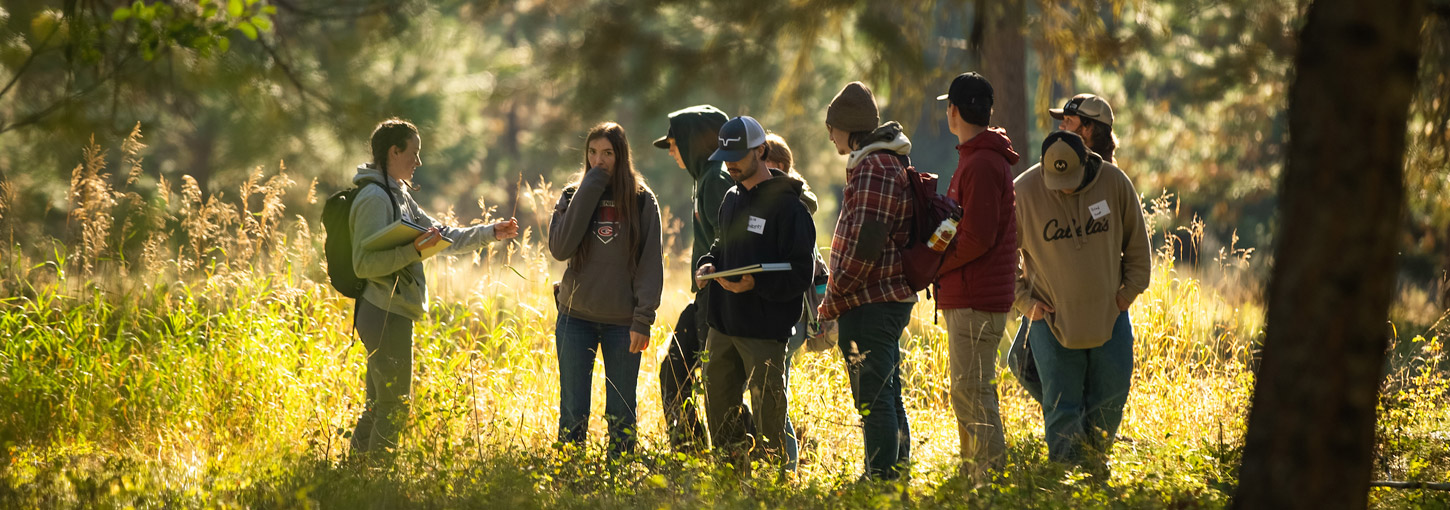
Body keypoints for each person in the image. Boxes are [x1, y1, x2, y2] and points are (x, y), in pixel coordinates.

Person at [349, 118, 520, 455]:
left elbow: (442, 235)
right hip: (383, 311)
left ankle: (354, 479)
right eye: (413, 152)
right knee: (394, 405)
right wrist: (413, 250)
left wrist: (490, 232)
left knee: (378, 404)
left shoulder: (396, 193)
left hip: (392, 309)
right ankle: (378, 483)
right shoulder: (374, 197)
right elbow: (363, 264)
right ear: (393, 151)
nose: (418, 162)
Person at [1012, 130, 1150, 473]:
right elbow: (1002, 259)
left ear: (1087, 162)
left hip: (1110, 317)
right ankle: (1065, 480)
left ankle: (1094, 467)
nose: (1064, 188)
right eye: (1056, 180)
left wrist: (1126, 295)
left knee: (1111, 399)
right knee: (1061, 405)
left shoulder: (1115, 183)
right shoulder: (1022, 192)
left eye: (1070, 179)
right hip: (1051, 323)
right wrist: (1026, 302)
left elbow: (1137, 248)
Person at [695, 116, 816, 467]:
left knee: (770, 428)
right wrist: (708, 263)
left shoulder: (789, 208)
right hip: (722, 327)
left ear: (761, 151)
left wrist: (756, 284)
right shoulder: (730, 198)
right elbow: (721, 247)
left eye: (738, 155)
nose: (730, 164)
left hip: (764, 333)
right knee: (720, 419)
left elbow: (800, 273)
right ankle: (731, 489)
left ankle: (775, 491)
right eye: (726, 156)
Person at [818, 81, 918, 480]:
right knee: (887, 393)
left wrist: (835, 295)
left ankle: (882, 480)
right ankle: (896, 473)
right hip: (877, 298)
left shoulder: (875, 167)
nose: (830, 135)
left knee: (873, 400)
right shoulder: (876, 163)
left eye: (833, 126)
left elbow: (866, 247)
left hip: (870, 301)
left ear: (851, 127)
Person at [548, 122, 664, 458]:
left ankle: (622, 475)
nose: (599, 160)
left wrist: (643, 320)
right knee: (572, 409)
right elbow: (561, 248)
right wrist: (591, 187)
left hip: (622, 324)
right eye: (593, 152)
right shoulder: (573, 195)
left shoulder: (642, 201)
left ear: (621, 155)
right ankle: (569, 475)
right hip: (575, 319)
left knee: (622, 410)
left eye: (608, 153)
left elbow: (650, 265)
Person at [933, 72, 1021, 480]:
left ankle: (992, 481)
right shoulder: (977, 157)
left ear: (953, 110)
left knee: (971, 392)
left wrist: (937, 265)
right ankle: (975, 477)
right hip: (971, 295)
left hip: (975, 297)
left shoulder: (982, 162)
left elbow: (978, 237)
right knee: (968, 392)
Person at [653, 105, 733, 451]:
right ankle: (690, 450)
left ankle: (732, 453)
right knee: (674, 370)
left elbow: (728, 237)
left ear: (693, 143)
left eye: (674, 144)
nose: (671, 152)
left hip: (719, 300)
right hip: (704, 298)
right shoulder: (704, 177)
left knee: (719, 384)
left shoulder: (715, 178)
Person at [761, 132, 828, 471]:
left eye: (768, 165)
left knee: (773, 396)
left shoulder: (793, 204)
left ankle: (785, 469)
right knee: (770, 393)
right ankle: (778, 464)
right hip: (784, 315)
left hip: (793, 315)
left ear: (783, 167)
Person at [1049, 93, 1119, 163]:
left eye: (1069, 120)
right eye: (1063, 119)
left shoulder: (1106, 172)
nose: (1061, 126)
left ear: (1089, 128)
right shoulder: (1112, 172)